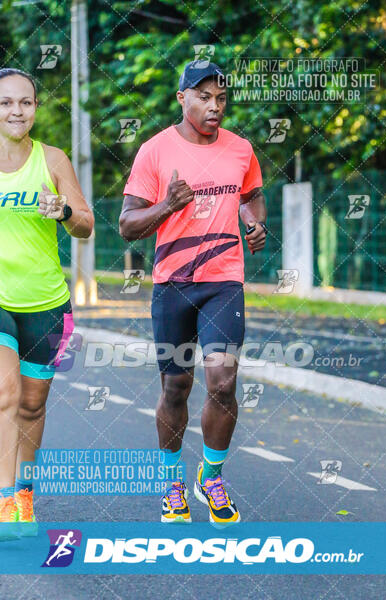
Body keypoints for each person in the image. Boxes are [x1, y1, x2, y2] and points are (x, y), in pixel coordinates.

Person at [120, 61, 267, 526]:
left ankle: (212, 476)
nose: (215, 106)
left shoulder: (241, 149)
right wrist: (168, 204)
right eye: (204, 97)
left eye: (221, 98)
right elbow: (127, 226)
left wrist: (255, 222)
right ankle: (172, 482)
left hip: (224, 280)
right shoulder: (154, 151)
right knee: (176, 385)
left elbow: (251, 195)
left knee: (223, 381)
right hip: (172, 284)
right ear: (182, 98)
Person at [0, 68, 94, 538]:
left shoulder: (52, 159)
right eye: (6, 102)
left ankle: (23, 496)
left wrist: (65, 211)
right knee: (6, 393)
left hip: (45, 302)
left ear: (36, 107)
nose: (16, 111)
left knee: (32, 408)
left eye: (25, 102)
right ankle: (1, 502)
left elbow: (87, 226)